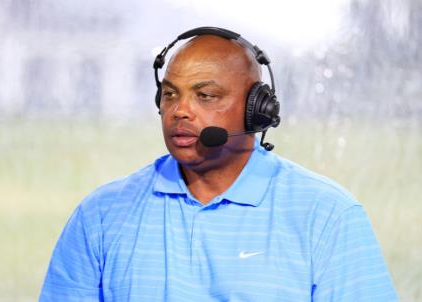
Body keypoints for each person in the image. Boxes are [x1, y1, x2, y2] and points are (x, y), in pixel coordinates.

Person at [40, 27, 398, 301]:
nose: (179, 110)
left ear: (257, 110)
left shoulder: (327, 216)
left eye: (205, 96)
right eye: (169, 94)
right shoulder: (101, 215)